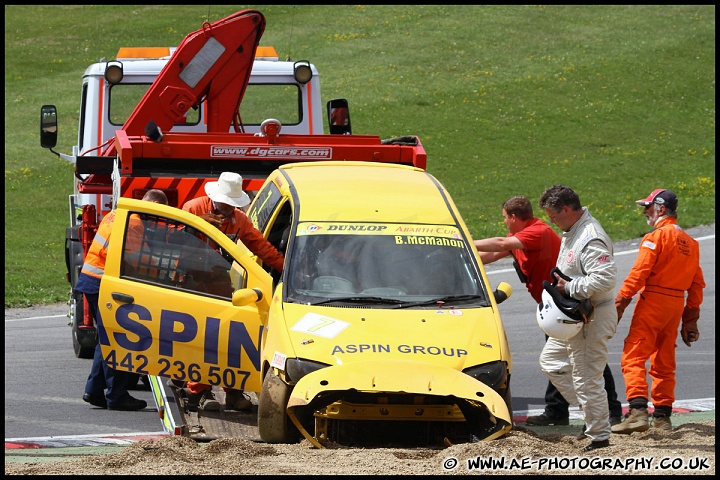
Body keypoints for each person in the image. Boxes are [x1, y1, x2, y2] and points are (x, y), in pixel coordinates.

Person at [474, 195, 622, 427]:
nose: (503, 222)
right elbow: (490, 255)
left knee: (587, 358)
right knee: (564, 359)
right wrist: (458, 256)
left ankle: (606, 410)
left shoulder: (537, 231)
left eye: (504, 218)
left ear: (514, 217)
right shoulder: (520, 238)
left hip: (567, 306)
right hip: (554, 308)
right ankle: (560, 410)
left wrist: (461, 241)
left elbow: (500, 244)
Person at [182, 171, 285, 412]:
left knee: (226, 334)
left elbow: (261, 246)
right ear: (214, 198)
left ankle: (231, 390)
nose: (228, 209)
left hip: (216, 277)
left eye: (232, 205)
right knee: (200, 337)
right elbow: (172, 237)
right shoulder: (194, 208)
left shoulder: (239, 219)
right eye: (225, 204)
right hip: (188, 278)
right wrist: (198, 225)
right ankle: (200, 390)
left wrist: (286, 268)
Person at [612, 189, 705, 434]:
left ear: (660, 209)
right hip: (675, 305)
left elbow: (639, 272)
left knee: (632, 355)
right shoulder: (691, 243)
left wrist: (621, 301)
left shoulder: (656, 236)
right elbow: (697, 284)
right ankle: (663, 417)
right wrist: (690, 319)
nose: (645, 211)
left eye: (647, 206)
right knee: (664, 360)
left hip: (653, 300)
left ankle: (638, 412)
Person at [537, 185, 618, 452]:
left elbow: (605, 277)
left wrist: (569, 288)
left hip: (592, 315)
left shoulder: (590, 236)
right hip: (576, 315)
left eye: (553, 215)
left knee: (587, 378)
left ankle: (599, 436)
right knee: (551, 361)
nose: (552, 221)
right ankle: (593, 414)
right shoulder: (572, 231)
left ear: (568, 209)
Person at [81, 189, 168, 411]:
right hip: (103, 282)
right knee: (118, 338)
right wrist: (163, 271)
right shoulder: (135, 223)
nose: (157, 219)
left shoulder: (119, 213)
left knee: (106, 337)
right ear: (154, 204)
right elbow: (133, 261)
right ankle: (116, 395)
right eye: (159, 211)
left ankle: (94, 389)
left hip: (92, 279)